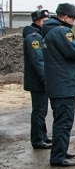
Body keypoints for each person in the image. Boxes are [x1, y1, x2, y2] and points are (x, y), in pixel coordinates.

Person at [42, 3, 75, 167]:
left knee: (61, 121)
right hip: (63, 85)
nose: (73, 22)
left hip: (58, 84)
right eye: (72, 18)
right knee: (64, 122)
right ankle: (58, 157)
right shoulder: (62, 31)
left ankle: (60, 151)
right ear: (65, 17)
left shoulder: (50, 31)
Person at [23, 9, 52, 149]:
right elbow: (37, 61)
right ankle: (37, 140)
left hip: (39, 80)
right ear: (37, 22)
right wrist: (46, 79)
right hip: (37, 81)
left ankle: (43, 136)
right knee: (39, 111)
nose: (46, 24)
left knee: (42, 111)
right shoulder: (33, 37)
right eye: (44, 22)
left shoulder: (39, 35)